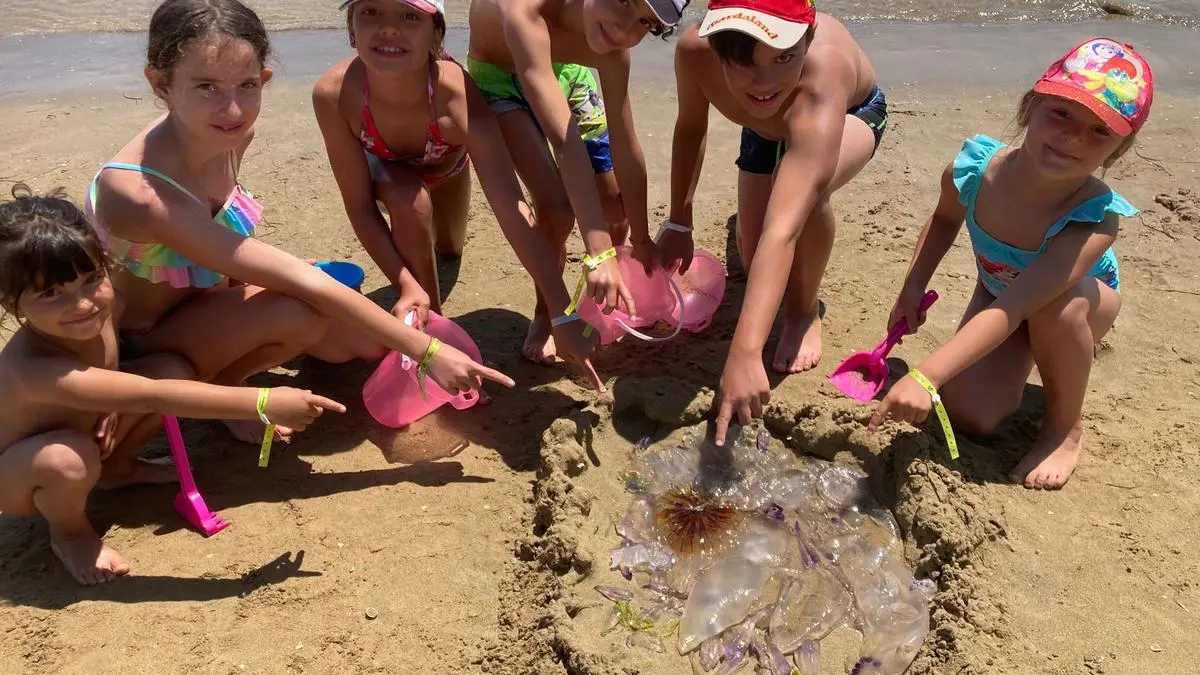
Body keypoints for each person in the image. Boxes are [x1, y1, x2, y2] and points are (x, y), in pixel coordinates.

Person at [87, 0, 512, 446]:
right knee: (300, 310)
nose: (232, 109)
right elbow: (296, 280)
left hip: (203, 302)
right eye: (207, 86)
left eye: (247, 85)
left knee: (361, 343)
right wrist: (428, 353)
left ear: (264, 79)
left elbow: (217, 252)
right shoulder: (137, 192)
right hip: (144, 339)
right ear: (160, 83)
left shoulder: (229, 133)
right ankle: (226, 394)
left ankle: (225, 373)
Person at [0, 187, 346, 585]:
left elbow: (176, 305)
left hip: (89, 425)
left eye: (91, 278)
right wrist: (263, 399)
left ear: (105, 265)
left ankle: (118, 469)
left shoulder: (108, 305)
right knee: (66, 460)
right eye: (50, 294)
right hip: (21, 475)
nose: (83, 304)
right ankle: (70, 532)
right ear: (13, 304)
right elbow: (153, 396)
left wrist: (275, 276)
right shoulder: (36, 367)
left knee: (168, 368)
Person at [869, 38, 1153, 490]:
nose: (1073, 137)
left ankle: (1063, 429)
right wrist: (911, 287)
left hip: (1075, 304)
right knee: (972, 416)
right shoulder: (975, 170)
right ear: (1029, 106)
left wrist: (926, 374)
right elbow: (944, 220)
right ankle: (1021, 365)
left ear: (1118, 149)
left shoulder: (1095, 219)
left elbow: (1015, 308)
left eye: (1099, 131)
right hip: (1000, 287)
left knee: (1054, 310)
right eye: (1061, 113)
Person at [313, 0, 601, 387]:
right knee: (409, 202)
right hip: (388, 171)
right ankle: (433, 333)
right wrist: (405, 284)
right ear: (351, 30)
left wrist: (560, 310)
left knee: (450, 251)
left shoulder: (455, 94)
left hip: (447, 165)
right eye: (370, 12)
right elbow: (360, 207)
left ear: (436, 37)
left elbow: (509, 205)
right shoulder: (334, 94)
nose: (389, 28)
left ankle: (433, 290)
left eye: (410, 16)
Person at [672, 0, 890, 445]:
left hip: (848, 113)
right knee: (754, 264)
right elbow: (691, 127)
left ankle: (804, 313)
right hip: (764, 127)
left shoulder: (821, 72)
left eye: (784, 57)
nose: (765, 80)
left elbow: (783, 228)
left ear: (807, 39)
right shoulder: (694, 53)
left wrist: (746, 349)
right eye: (743, 61)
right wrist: (678, 222)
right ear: (715, 46)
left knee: (797, 202)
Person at [466, 0, 689, 364]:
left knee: (616, 213)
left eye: (645, 24)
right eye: (624, 1)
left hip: (566, 71)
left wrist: (643, 239)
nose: (624, 29)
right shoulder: (526, 11)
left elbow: (625, 138)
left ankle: (595, 297)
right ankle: (549, 312)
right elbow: (564, 141)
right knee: (555, 208)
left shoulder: (611, 47)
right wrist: (598, 250)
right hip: (499, 77)